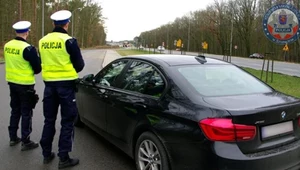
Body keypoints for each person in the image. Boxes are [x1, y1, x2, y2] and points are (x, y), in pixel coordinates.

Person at [39, 10, 84, 169]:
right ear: (67, 23)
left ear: (53, 24)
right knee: (67, 121)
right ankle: (63, 158)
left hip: (49, 86)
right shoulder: (69, 41)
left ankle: (46, 154)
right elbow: (79, 66)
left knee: (49, 120)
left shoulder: (42, 41)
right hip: (66, 87)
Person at [4, 21, 41, 151]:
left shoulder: (7, 45)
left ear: (16, 32)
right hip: (25, 85)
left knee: (15, 110)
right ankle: (26, 141)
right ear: (27, 32)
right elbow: (37, 69)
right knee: (26, 112)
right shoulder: (28, 49)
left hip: (12, 83)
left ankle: (13, 137)